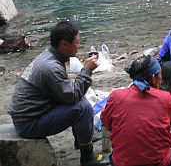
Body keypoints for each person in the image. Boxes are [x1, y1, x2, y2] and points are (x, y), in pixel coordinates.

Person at [8, 21, 107, 166]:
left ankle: (83, 138)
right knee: (83, 107)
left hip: (29, 114)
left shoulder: (49, 55)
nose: (79, 47)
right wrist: (86, 71)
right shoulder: (51, 67)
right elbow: (73, 96)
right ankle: (87, 159)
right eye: (77, 43)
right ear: (64, 44)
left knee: (78, 100)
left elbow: (64, 92)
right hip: (28, 123)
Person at [101, 55, 171, 166]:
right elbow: (168, 120)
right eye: (160, 75)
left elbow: (107, 123)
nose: (161, 78)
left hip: (122, 163)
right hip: (158, 163)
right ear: (154, 79)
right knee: (170, 151)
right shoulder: (165, 98)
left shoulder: (116, 96)